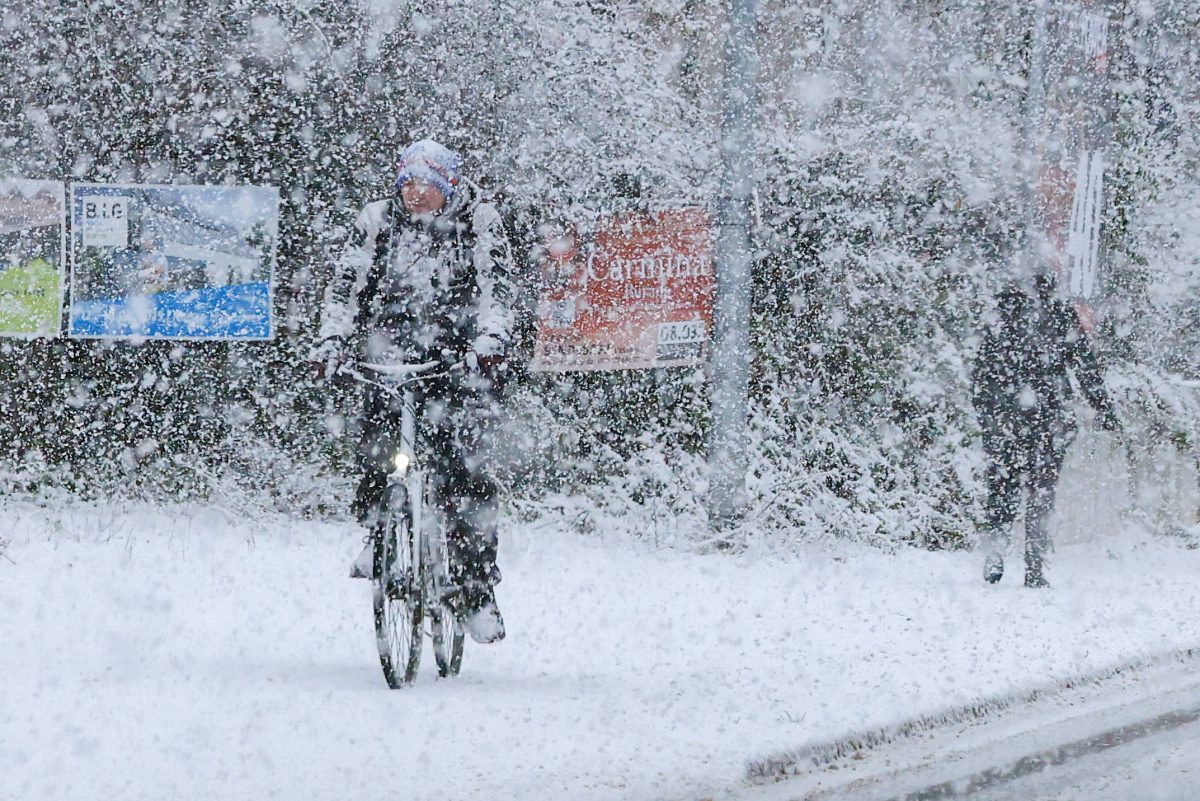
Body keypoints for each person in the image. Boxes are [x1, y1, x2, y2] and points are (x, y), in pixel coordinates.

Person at [312, 139, 516, 643]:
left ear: (447, 187)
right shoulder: (377, 220)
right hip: (391, 355)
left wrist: (489, 341)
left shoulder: (479, 222)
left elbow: (501, 290)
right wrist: (332, 340)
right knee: (377, 443)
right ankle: (378, 530)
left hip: (457, 360)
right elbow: (345, 284)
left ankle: (474, 589)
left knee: (465, 471)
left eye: (426, 186)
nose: (416, 195)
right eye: (407, 184)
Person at [971, 274, 1120, 588]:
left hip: (1005, 421)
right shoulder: (1059, 314)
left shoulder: (1001, 318)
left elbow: (981, 374)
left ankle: (996, 550)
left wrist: (988, 418)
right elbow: (1083, 365)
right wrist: (1102, 407)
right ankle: (1034, 566)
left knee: (1003, 488)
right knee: (1041, 492)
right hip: (1047, 420)